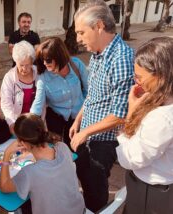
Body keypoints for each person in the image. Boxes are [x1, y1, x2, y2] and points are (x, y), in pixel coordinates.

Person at [69, 0, 134, 212]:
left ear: (98, 26)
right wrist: (79, 119)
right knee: (86, 182)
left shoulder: (121, 58)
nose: (77, 39)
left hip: (103, 143)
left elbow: (120, 114)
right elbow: (94, 94)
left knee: (96, 191)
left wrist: (85, 132)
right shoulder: (98, 53)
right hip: (87, 134)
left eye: (81, 32)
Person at [116, 37, 173, 214]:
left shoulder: (162, 118)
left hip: (152, 192)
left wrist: (130, 116)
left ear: (161, 76)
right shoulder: (162, 103)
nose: (136, 81)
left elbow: (131, 158)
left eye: (140, 76)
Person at [0, 113, 85, 214]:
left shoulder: (29, 173)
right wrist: (30, 150)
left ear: (21, 143)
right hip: (79, 210)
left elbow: (4, 187)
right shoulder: (63, 147)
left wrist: (7, 154)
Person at [30, 37, 88, 146]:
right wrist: (29, 123)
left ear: (59, 56)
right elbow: (38, 103)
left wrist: (83, 108)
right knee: (57, 149)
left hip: (78, 117)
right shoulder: (43, 76)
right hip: (56, 118)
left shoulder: (77, 65)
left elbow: (89, 91)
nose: (44, 63)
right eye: (42, 60)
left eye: (47, 60)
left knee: (78, 149)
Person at [0, 41, 37, 134]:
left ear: (32, 61)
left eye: (28, 65)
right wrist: (12, 122)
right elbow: (6, 103)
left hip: (37, 121)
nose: (24, 69)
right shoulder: (9, 77)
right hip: (18, 123)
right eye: (21, 65)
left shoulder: (39, 73)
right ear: (15, 61)